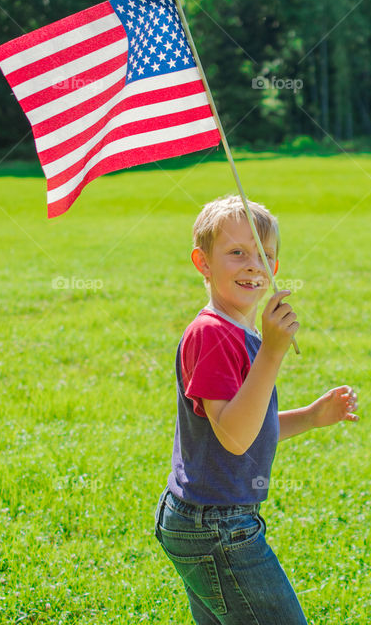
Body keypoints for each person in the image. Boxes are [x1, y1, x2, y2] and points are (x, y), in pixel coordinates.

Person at [153, 195, 360, 624]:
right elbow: (234, 436)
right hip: (217, 526)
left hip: (206, 520)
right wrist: (271, 353)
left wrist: (310, 417)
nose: (253, 264)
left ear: (276, 269)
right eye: (236, 253)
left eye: (264, 255)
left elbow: (247, 425)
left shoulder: (237, 331)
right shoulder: (211, 335)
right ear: (202, 263)